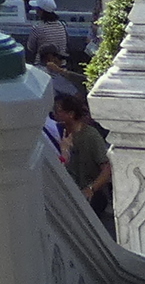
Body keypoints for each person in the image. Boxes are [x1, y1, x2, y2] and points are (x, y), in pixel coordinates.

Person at [49, 90, 111, 235]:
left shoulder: (90, 135)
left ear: (71, 114)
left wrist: (91, 189)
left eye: (58, 111)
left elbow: (107, 168)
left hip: (90, 196)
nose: (55, 115)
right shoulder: (59, 133)